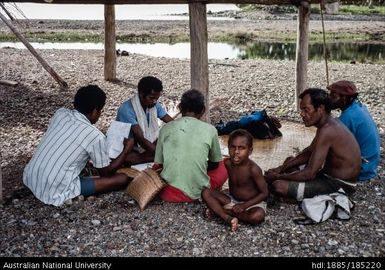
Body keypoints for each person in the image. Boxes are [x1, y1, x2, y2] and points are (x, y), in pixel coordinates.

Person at [23, 85, 133, 207]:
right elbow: (106, 174)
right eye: (100, 111)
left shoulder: (60, 113)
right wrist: (126, 150)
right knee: (121, 178)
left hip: (31, 177)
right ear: (95, 111)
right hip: (54, 190)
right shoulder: (95, 136)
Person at [264, 88, 361, 201]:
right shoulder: (328, 125)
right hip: (327, 175)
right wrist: (280, 168)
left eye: (306, 110)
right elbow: (309, 152)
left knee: (278, 186)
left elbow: (309, 174)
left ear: (320, 109)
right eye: (302, 110)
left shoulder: (327, 130)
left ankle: (290, 196)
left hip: (340, 185)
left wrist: (277, 176)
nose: (302, 114)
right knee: (289, 162)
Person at [154, 89, 228, 203]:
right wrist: (199, 165)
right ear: (203, 110)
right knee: (224, 165)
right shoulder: (211, 130)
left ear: (180, 107)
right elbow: (214, 164)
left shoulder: (165, 128)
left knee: (156, 169)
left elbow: (160, 163)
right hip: (198, 192)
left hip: (168, 193)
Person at [201, 129, 268, 232]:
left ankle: (220, 211)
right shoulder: (227, 163)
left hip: (252, 204)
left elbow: (264, 193)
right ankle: (228, 218)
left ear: (250, 151)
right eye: (233, 147)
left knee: (257, 216)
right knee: (206, 192)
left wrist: (244, 205)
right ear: (228, 148)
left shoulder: (253, 169)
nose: (236, 152)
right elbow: (214, 168)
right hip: (232, 200)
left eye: (241, 148)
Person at [327, 80, 380, 181]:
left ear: (344, 98)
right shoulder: (358, 107)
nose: (330, 99)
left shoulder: (348, 117)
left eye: (333, 96)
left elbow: (328, 144)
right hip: (371, 164)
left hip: (363, 170)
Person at [116, 76, 173, 165]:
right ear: (141, 94)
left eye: (156, 99)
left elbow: (172, 123)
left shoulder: (154, 104)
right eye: (151, 98)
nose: (154, 101)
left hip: (147, 144)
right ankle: (158, 157)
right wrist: (162, 154)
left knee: (169, 134)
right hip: (130, 146)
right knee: (129, 158)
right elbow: (141, 139)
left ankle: (155, 157)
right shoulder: (126, 109)